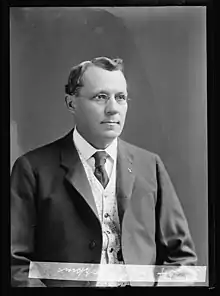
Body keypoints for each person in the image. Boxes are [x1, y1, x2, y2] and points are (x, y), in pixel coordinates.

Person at [11, 57, 197, 287]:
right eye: (100, 97)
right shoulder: (33, 169)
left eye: (120, 98)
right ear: (71, 103)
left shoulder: (150, 166)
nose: (113, 108)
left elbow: (181, 260)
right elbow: (15, 265)